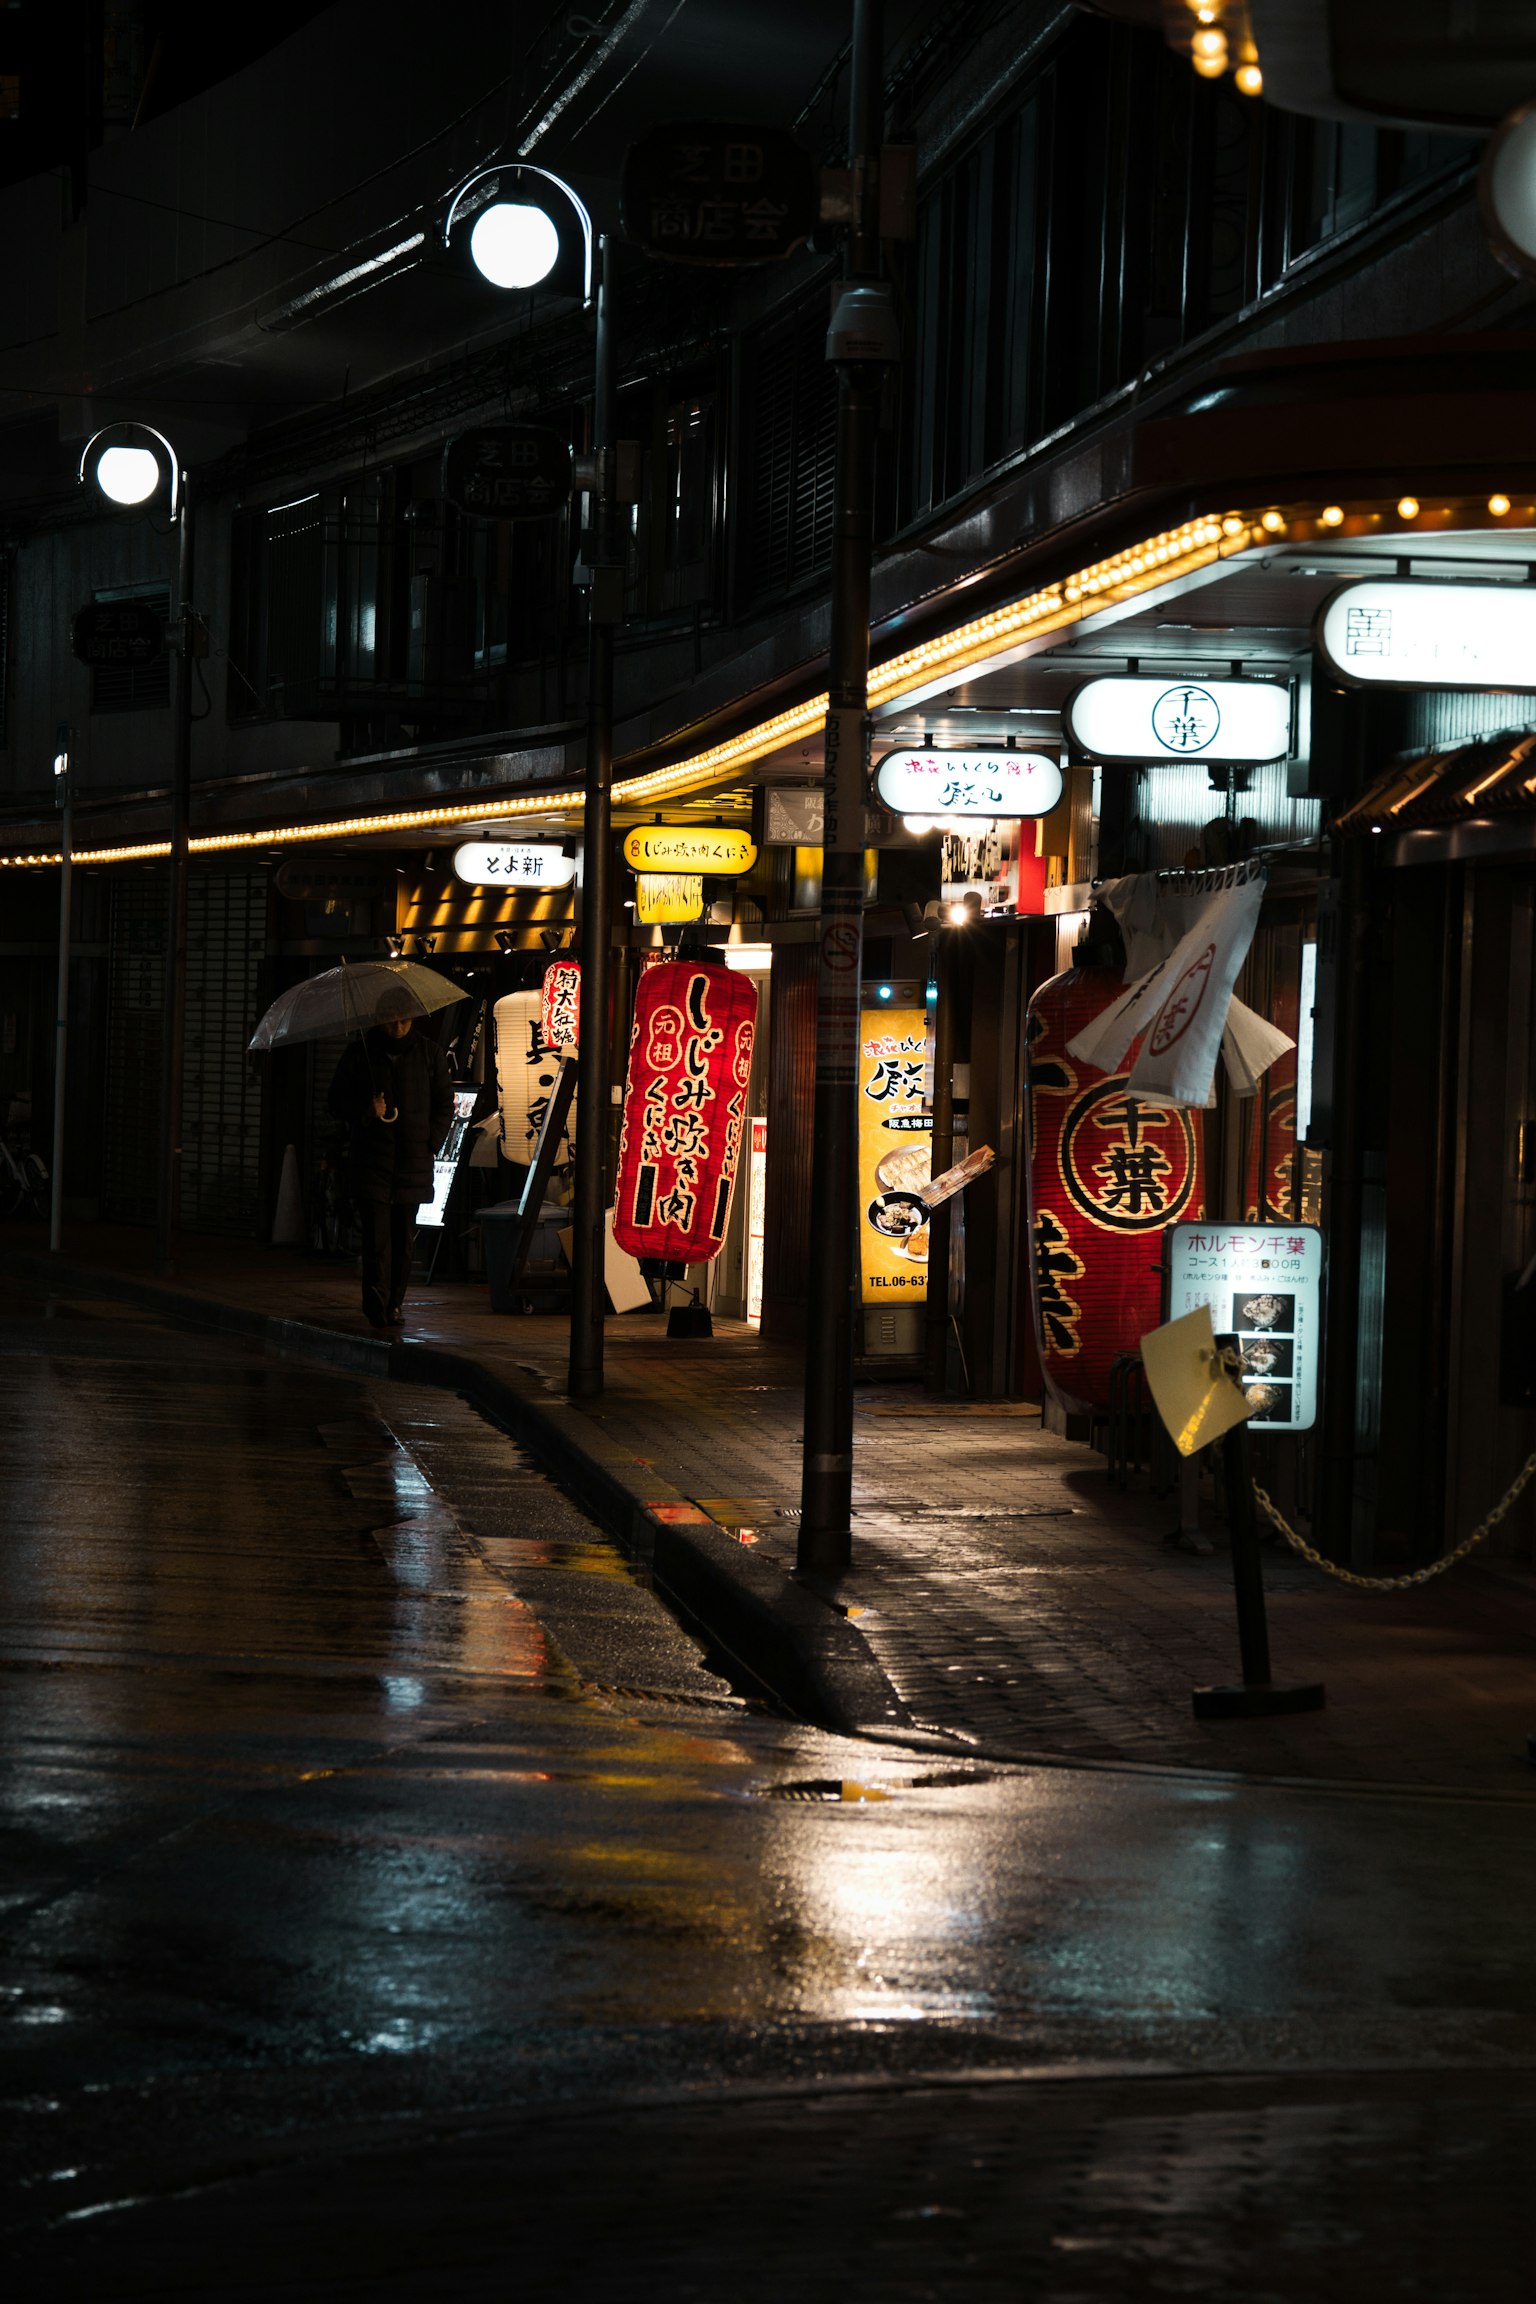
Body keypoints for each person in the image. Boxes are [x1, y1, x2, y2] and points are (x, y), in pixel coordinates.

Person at [328, 994, 453, 1330]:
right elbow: (335, 1102)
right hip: (372, 1163)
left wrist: (430, 1139)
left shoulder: (429, 1054)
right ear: (378, 1019)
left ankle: (395, 1303)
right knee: (376, 1241)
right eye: (390, 1020)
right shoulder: (361, 1054)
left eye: (404, 1020)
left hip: (412, 1162)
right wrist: (366, 1110)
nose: (397, 1028)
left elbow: (445, 1105)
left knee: (402, 1241)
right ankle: (376, 1304)